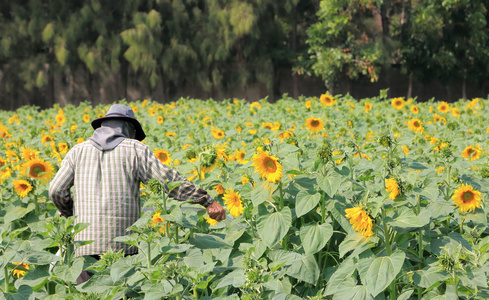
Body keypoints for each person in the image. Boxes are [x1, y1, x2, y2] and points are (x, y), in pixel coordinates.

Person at [49, 103, 225, 284]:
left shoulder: (77, 152)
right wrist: (206, 200)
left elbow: (56, 190)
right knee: (122, 292)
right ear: (129, 128)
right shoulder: (135, 149)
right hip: (124, 246)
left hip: (84, 246)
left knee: (89, 294)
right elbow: (168, 181)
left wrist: (73, 214)